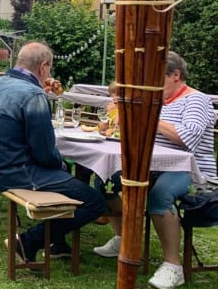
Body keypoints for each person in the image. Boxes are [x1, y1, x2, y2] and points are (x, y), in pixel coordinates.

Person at [92, 52, 216, 289]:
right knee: (105, 180)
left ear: (175, 76)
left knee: (161, 194)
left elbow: (186, 138)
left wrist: (149, 116)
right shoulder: (157, 100)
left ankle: (173, 266)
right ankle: (123, 238)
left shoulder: (196, 100)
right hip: (151, 165)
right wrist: (116, 119)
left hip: (191, 170)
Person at [0, 41, 106, 265]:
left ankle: (59, 244)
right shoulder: (33, 96)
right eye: (50, 67)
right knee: (95, 202)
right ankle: (28, 242)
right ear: (43, 66)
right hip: (16, 173)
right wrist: (61, 164)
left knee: (68, 180)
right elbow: (44, 151)